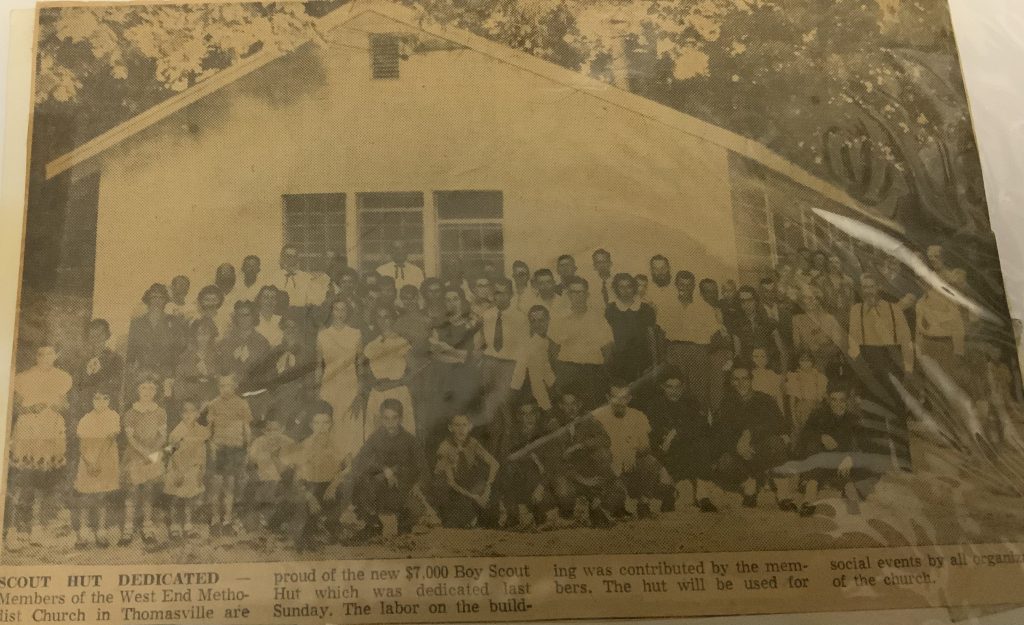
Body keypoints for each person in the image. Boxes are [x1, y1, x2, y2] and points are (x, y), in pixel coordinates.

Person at [6, 345, 73, 550]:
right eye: (41, 354)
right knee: (22, 478)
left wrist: (56, 405)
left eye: (50, 354)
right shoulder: (24, 377)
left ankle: (36, 527)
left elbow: (65, 405)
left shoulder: (62, 378)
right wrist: (30, 408)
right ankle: (13, 529)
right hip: (28, 428)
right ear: (36, 356)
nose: (45, 357)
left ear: (56, 356)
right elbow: (15, 406)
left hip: (50, 428)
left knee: (42, 480)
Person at [848, 273, 914, 470]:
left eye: (871, 286)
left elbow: (906, 341)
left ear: (878, 288)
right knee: (872, 415)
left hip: (891, 365)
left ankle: (903, 462)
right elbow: (853, 344)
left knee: (897, 415)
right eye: (864, 287)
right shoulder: (856, 310)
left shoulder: (894, 310)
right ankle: (879, 464)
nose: (868, 291)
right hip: (869, 366)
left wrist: (908, 369)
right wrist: (859, 371)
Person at [591, 382, 675, 519]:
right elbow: (593, 450)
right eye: (615, 397)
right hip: (609, 469)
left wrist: (633, 451)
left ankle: (643, 504)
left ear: (629, 398)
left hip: (631, 467)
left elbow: (646, 447)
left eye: (623, 397)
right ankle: (613, 503)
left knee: (650, 462)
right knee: (613, 503)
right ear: (607, 397)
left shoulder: (638, 416)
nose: (619, 402)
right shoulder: (596, 417)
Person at [714, 365, 791, 509]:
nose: (741, 383)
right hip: (740, 452)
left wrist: (750, 433)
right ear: (731, 382)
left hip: (761, 449)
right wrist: (737, 446)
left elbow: (780, 424)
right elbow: (722, 432)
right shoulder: (726, 402)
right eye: (736, 379)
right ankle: (750, 482)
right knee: (724, 463)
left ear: (751, 380)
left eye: (745, 379)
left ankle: (782, 493)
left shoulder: (764, 399)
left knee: (776, 443)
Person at [349, 399, 424, 542]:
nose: (390, 423)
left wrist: (415, 483)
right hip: (380, 488)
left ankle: (404, 525)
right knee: (361, 481)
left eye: (394, 418)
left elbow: (420, 466)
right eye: (386, 418)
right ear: (381, 419)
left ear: (400, 419)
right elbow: (360, 459)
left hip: (402, 487)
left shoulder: (410, 440)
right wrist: (384, 469)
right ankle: (373, 525)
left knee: (415, 508)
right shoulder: (375, 437)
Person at [794, 384, 873, 516]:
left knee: (858, 475)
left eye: (842, 400)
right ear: (828, 401)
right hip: (821, 463)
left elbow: (865, 445)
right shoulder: (818, 415)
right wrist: (821, 436)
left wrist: (850, 458)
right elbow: (804, 435)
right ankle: (810, 494)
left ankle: (849, 491)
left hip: (844, 463)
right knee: (813, 446)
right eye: (834, 400)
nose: (838, 404)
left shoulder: (854, 419)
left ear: (847, 402)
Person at [644, 368, 717, 512]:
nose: (674, 391)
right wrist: (665, 441)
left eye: (678, 387)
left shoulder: (690, 402)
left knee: (701, 445)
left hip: (686, 449)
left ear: (683, 387)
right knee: (655, 464)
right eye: (670, 387)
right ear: (662, 387)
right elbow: (653, 433)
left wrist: (677, 432)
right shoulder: (655, 405)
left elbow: (703, 426)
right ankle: (669, 491)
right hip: (665, 451)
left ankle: (702, 495)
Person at [423, 287, 482, 452]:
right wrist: (462, 356)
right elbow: (435, 356)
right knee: (445, 421)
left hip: (466, 379)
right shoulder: (438, 327)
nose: (452, 303)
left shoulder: (472, 325)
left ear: (462, 301)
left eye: (455, 299)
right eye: (448, 300)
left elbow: (476, 356)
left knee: (466, 420)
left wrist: (447, 349)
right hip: (444, 379)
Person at [549, 392, 619, 527]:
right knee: (564, 495)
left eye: (574, 404)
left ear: (579, 405)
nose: (571, 408)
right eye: (566, 404)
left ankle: (594, 503)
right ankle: (581, 507)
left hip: (586, 470)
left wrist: (580, 445)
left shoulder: (588, 419)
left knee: (604, 455)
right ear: (560, 406)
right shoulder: (554, 425)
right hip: (565, 473)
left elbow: (605, 439)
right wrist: (584, 481)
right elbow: (556, 462)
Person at [658, 270, 723, 413]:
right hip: (675, 351)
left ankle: (699, 421)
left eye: (689, 285)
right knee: (676, 389)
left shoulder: (705, 308)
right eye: (681, 285)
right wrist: (663, 357)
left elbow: (716, 335)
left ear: (694, 286)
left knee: (698, 389)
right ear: (676, 285)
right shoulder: (667, 306)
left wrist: (703, 351)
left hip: (698, 351)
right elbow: (661, 333)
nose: (685, 288)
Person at [286, 408, 351, 550]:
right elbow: (297, 477)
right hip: (310, 489)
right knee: (303, 532)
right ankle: (310, 526)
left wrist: (334, 484)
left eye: (325, 422)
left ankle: (331, 521)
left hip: (329, 487)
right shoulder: (305, 445)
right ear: (311, 425)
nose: (321, 427)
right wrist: (309, 497)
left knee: (348, 484)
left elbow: (350, 467)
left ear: (331, 424)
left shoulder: (337, 443)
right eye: (317, 423)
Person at [478, 278, 528, 454]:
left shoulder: (520, 318)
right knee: (491, 412)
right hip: (490, 364)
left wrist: (516, 380)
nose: (500, 297)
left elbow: (523, 351)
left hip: (509, 366)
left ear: (511, 294)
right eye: (497, 293)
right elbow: (483, 344)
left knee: (507, 414)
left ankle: (507, 455)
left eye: (504, 293)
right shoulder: (487, 315)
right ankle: (493, 455)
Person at [549, 277, 613, 410]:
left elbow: (607, 349)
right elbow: (553, 349)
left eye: (580, 292)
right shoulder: (559, 319)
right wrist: (562, 370)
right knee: (568, 409)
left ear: (587, 294)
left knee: (592, 409)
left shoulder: (598, 319)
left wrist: (599, 370)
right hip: (567, 371)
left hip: (591, 372)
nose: (577, 296)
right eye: (573, 292)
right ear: (568, 295)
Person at [120, 375, 168, 546]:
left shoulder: (160, 412)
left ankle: (147, 526)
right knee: (132, 490)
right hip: (135, 454)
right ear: (137, 390)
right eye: (143, 388)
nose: (147, 392)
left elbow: (163, 436)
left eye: (151, 388)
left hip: (152, 453)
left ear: (156, 391)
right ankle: (128, 527)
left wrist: (152, 451)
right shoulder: (131, 413)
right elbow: (130, 438)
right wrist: (143, 451)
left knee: (148, 489)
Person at [431, 414, 499, 528]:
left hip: (466, 486)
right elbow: (451, 483)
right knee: (455, 523)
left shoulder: (473, 443)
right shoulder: (445, 448)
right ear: (450, 428)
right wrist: (475, 497)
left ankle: (476, 517)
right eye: (457, 425)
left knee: (491, 513)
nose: (461, 429)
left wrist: (488, 488)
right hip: (449, 490)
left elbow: (494, 464)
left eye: (464, 425)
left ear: (470, 427)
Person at [72, 389, 121, 548]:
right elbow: (82, 445)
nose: (101, 402)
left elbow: (109, 440)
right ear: (91, 400)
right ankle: (84, 531)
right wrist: (89, 462)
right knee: (86, 496)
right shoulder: (85, 419)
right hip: (88, 460)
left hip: (105, 459)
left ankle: (101, 530)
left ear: (110, 400)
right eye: (97, 398)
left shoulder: (113, 416)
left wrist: (98, 461)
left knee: (102, 496)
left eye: (105, 398)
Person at [497, 402, 558, 529]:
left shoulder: (545, 435)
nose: (528, 417)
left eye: (532, 413)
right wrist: (527, 457)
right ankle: (513, 515)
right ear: (519, 417)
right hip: (518, 482)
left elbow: (551, 465)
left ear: (537, 415)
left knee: (543, 505)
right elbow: (504, 459)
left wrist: (541, 486)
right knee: (508, 470)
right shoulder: (511, 435)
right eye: (524, 414)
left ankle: (539, 514)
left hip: (539, 482)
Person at [316, 299, 365, 459]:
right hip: (329, 387)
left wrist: (360, 392)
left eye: (343, 309)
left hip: (350, 386)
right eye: (336, 309)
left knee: (350, 426)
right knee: (331, 423)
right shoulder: (323, 335)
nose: (340, 313)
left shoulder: (356, 334)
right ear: (331, 312)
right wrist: (317, 391)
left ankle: (350, 463)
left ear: (347, 312)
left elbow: (360, 366)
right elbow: (318, 366)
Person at [206, 374, 253, 537]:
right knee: (216, 484)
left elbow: (246, 428)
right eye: (222, 386)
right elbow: (209, 428)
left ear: (235, 387)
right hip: (219, 448)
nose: (225, 389)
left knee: (230, 485)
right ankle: (215, 519)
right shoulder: (213, 404)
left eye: (229, 386)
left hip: (235, 448)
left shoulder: (242, 404)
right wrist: (211, 445)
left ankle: (227, 519)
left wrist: (247, 448)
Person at [363, 306, 415, 435]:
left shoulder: (402, 342)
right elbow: (366, 373)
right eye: (379, 317)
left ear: (393, 319)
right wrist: (375, 384)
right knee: (376, 434)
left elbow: (413, 372)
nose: (383, 321)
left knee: (401, 435)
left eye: (386, 317)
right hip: (378, 394)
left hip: (398, 392)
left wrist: (393, 384)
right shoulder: (371, 345)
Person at [163, 399, 210, 539]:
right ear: (180, 414)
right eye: (185, 412)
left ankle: (188, 525)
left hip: (192, 469)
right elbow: (171, 453)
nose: (188, 415)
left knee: (190, 498)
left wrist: (201, 470)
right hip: (177, 468)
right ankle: (174, 525)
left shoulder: (201, 431)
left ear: (197, 414)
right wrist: (178, 472)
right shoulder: (177, 432)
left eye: (192, 411)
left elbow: (202, 452)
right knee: (176, 498)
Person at [215, 300, 272, 406]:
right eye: (240, 315)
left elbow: (265, 372)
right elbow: (221, 368)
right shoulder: (226, 342)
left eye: (247, 315)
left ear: (253, 317)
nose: (243, 319)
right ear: (236, 317)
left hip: (253, 393)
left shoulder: (262, 342)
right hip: (229, 392)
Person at [605, 273, 657, 385]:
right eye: (621, 287)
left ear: (634, 288)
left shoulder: (645, 308)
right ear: (616, 289)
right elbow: (607, 339)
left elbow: (651, 336)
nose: (625, 290)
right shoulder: (610, 309)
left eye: (629, 286)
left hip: (642, 358)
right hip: (619, 359)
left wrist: (654, 361)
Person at [126, 283, 185, 382]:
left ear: (165, 301)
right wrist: (132, 372)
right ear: (148, 300)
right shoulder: (137, 323)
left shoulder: (174, 322)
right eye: (153, 297)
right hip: (143, 374)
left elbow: (179, 350)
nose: (157, 301)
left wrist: (174, 375)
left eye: (161, 298)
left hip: (166, 374)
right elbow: (130, 353)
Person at [245, 420, 294, 530]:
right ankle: (262, 519)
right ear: (264, 431)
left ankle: (276, 520)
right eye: (269, 430)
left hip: (283, 480)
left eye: (276, 430)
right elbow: (251, 462)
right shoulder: (258, 442)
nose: (272, 433)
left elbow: (290, 467)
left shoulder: (288, 443)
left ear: (282, 429)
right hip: (262, 479)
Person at [510, 305, 557, 415]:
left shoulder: (552, 343)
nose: (537, 325)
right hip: (534, 400)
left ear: (548, 320)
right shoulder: (528, 347)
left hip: (553, 394)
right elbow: (535, 382)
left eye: (541, 320)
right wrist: (548, 408)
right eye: (533, 321)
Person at [72, 318, 123, 416]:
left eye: (100, 335)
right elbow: (76, 386)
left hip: (106, 409)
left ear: (107, 336)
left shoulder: (115, 359)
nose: (96, 340)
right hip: (85, 410)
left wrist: (98, 374)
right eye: (93, 336)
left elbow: (115, 385)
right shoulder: (83, 361)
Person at [729, 286, 786, 371]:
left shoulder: (769, 323)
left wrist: (783, 375)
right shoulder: (736, 325)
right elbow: (737, 354)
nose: (746, 305)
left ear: (755, 301)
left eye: (749, 300)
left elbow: (782, 352)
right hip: (749, 370)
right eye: (742, 301)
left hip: (770, 370)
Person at [791, 287, 845, 376]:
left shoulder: (830, 319)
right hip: (807, 363)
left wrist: (822, 350)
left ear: (818, 300)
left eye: (812, 298)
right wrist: (810, 350)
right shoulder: (797, 320)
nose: (809, 301)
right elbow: (797, 345)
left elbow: (838, 344)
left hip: (829, 363)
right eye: (805, 298)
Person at [173, 319, 219, 419]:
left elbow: (222, 381)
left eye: (206, 334)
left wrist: (208, 372)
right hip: (190, 403)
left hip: (212, 402)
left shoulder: (217, 356)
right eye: (199, 334)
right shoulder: (185, 356)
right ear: (194, 336)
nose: (203, 338)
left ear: (211, 336)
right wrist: (189, 404)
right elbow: (179, 382)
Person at [785, 351, 829, 437]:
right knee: (805, 434)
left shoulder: (819, 377)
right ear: (798, 362)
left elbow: (824, 395)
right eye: (802, 360)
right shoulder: (795, 377)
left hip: (817, 408)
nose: (805, 363)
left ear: (812, 361)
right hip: (803, 410)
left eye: (808, 360)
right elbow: (792, 401)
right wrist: (794, 420)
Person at [275, 244, 325, 312]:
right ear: (282, 258)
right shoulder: (276, 278)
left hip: (301, 314)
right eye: (288, 256)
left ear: (297, 258)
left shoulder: (306, 278)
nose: (291, 259)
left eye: (294, 256)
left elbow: (313, 301)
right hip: (281, 314)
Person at [751, 346, 785, 412]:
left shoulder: (772, 375)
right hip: (754, 408)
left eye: (762, 356)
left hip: (768, 408)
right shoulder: (750, 374)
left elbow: (778, 396)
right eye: (756, 356)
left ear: (767, 359)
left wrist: (781, 412)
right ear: (752, 358)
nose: (759, 359)